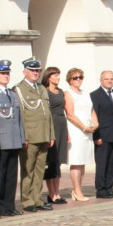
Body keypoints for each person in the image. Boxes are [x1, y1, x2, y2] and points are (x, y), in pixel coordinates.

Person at [15, 57, 54, 212]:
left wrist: (51, 134)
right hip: (30, 136)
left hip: (44, 134)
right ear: (25, 72)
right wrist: (24, 136)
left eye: (37, 70)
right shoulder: (19, 89)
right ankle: (27, 200)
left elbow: (48, 114)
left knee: (40, 170)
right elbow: (21, 115)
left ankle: (37, 198)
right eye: (32, 70)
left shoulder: (42, 89)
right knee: (28, 170)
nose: (35, 73)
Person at [0, 60, 25, 216]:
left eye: (7, 73)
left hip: (15, 140)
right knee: (0, 175)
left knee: (11, 176)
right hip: (2, 141)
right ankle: (0, 206)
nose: (5, 76)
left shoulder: (13, 94)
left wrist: (23, 138)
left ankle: (10, 205)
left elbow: (19, 118)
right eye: (2, 73)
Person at [64, 68, 96, 201]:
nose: (78, 80)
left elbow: (92, 110)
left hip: (87, 131)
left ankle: (78, 189)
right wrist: (83, 127)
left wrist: (95, 123)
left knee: (83, 161)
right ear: (70, 80)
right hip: (76, 130)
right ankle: (77, 190)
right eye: (75, 78)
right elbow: (70, 114)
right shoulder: (68, 93)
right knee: (76, 161)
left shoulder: (85, 93)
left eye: (80, 77)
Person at [91, 70, 113, 199]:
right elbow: (94, 117)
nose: (110, 81)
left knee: (112, 164)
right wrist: (96, 136)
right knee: (102, 164)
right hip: (103, 135)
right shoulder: (95, 95)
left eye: (112, 79)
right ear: (101, 80)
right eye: (107, 79)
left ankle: (109, 187)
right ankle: (101, 189)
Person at [41, 67, 68, 205]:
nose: (57, 78)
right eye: (55, 75)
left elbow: (64, 110)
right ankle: (51, 193)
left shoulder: (61, 91)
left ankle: (57, 192)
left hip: (61, 124)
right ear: (49, 77)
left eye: (58, 75)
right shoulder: (44, 90)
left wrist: (67, 131)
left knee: (58, 161)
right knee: (50, 161)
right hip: (51, 124)